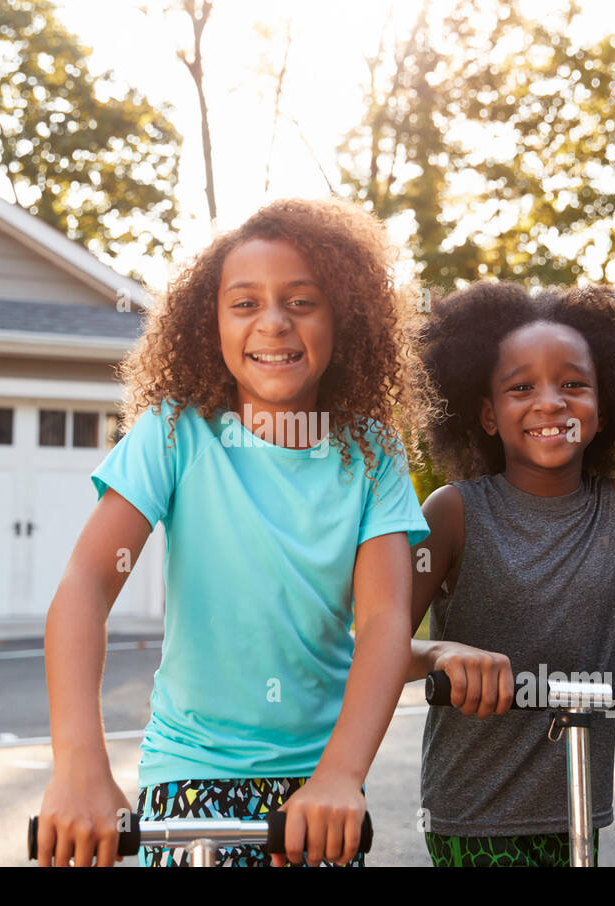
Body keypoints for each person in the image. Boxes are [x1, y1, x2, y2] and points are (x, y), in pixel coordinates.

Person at [36, 197, 434, 867]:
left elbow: (386, 619)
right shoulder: (174, 434)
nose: (273, 323)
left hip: (319, 785)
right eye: (244, 304)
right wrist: (79, 766)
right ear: (209, 324)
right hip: (189, 772)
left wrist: (339, 774)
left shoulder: (372, 454)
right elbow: (84, 585)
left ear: (346, 320)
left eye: (302, 302)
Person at [406, 280, 615, 867]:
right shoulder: (453, 511)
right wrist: (439, 654)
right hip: (474, 811)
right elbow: (376, 650)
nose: (550, 401)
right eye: (521, 386)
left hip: (579, 804)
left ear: (604, 411)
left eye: (573, 384)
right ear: (487, 413)